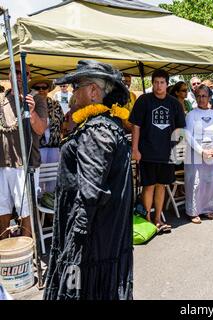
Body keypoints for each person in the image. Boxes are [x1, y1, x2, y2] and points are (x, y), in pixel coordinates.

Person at [43, 60, 133, 300]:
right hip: (100, 235)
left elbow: (92, 191)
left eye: (77, 86)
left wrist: (76, 239)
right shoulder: (105, 125)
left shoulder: (97, 130)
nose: (73, 91)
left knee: (79, 288)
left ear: (94, 92)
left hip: (90, 240)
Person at [129, 69, 186, 232]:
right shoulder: (144, 100)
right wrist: (135, 149)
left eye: (162, 82)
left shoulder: (174, 103)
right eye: (156, 82)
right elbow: (136, 126)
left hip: (167, 154)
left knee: (161, 186)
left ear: (167, 84)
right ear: (152, 83)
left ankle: (158, 218)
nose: (158, 86)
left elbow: (180, 130)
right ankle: (147, 219)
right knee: (149, 186)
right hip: (147, 152)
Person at [0, 62, 47, 240]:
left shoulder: (37, 99)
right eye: (16, 71)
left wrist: (32, 111)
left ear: (29, 77)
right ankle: (4, 251)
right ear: (9, 75)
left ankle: (27, 250)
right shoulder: (1, 99)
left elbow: (41, 129)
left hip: (26, 164)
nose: (20, 76)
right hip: (2, 163)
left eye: (24, 73)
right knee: (2, 208)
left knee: (25, 209)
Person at [184, 84, 213, 223]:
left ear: (209, 97)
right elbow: (188, 135)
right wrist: (201, 151)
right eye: (198, 96)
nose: (201, 99)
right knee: (195, 182)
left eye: (204, 96)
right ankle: (193, 211)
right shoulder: (191, 115)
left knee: (210, 182)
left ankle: (209, 209)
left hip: (211, 153)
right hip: (195, 154)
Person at [29, 76, 64, 194]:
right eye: (37, 87)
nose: (41, 90)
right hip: (38, 147)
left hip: (54, 146)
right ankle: (38, 206)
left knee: (53, 181)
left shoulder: (56, 105)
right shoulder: (30, 105)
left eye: (44, 87)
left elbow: (62, 124)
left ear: (49, 89)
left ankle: (49, 208)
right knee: (38, 180)